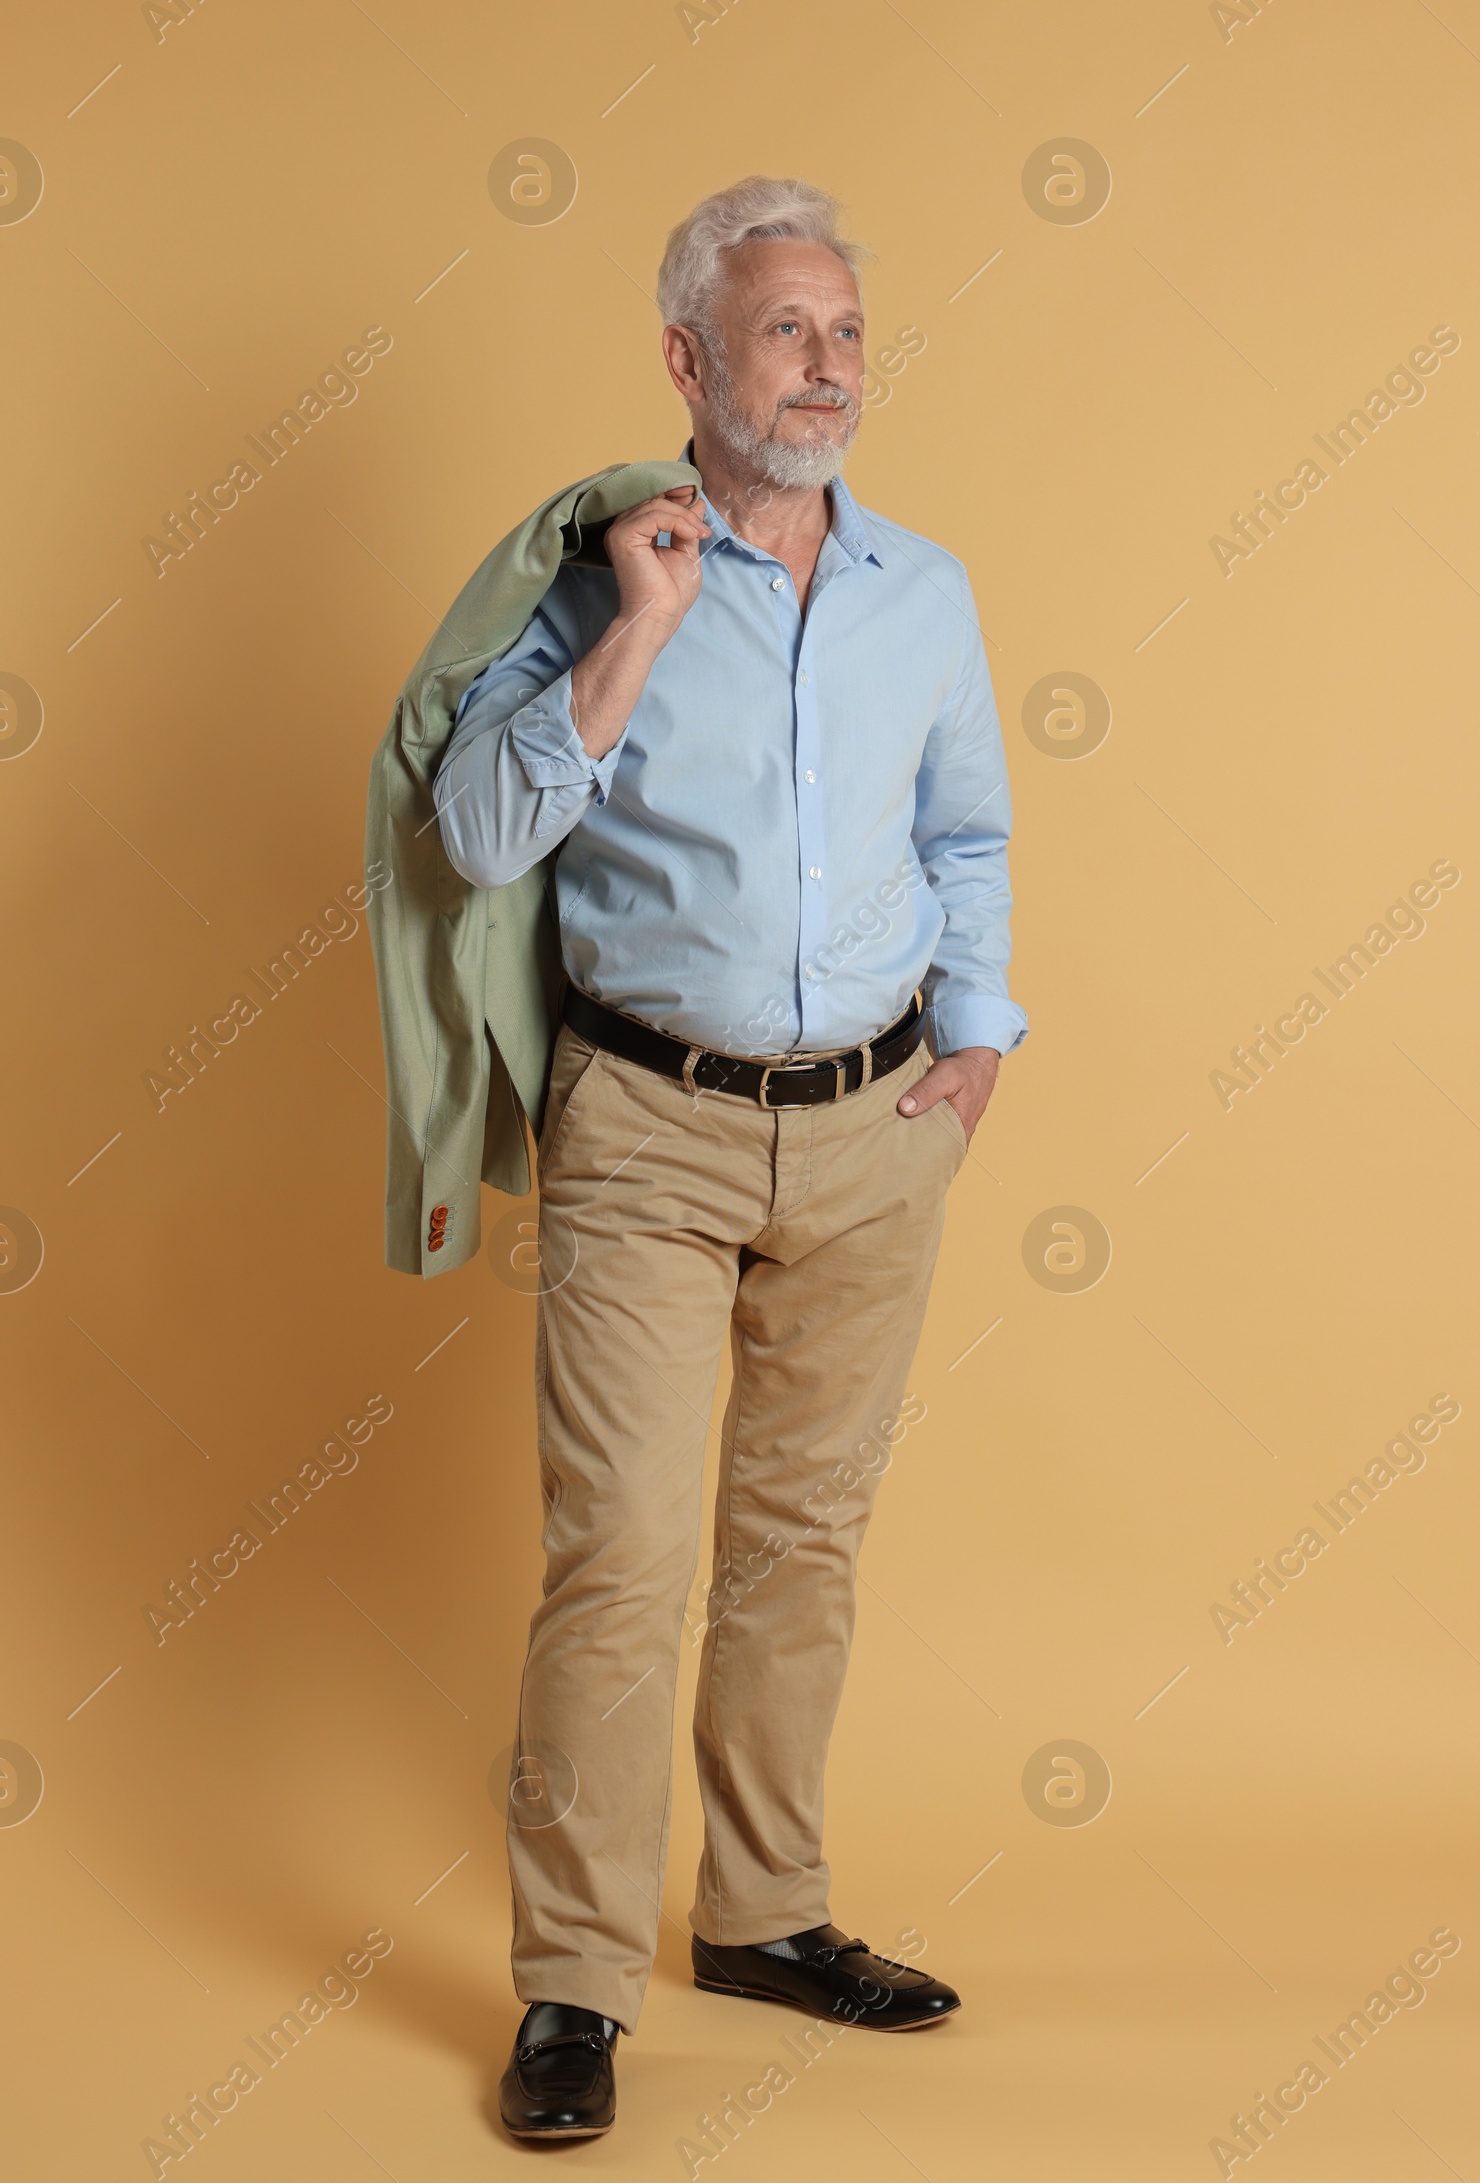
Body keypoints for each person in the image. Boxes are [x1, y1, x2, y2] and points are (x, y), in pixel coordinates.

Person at [431, 176, 1027, 2141]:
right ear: (686, 360)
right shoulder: (597, 577)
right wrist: (641, 626)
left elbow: (965, 835)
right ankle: (573, 1989)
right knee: (616, 1562)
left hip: (871, 1130)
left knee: (800, 1543)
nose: (827, 364)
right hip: (649, 1131)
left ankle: (764, 1917)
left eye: (846, 328)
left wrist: (977, 1040)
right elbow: (477, 834)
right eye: (785, 330)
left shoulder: (921, 590)